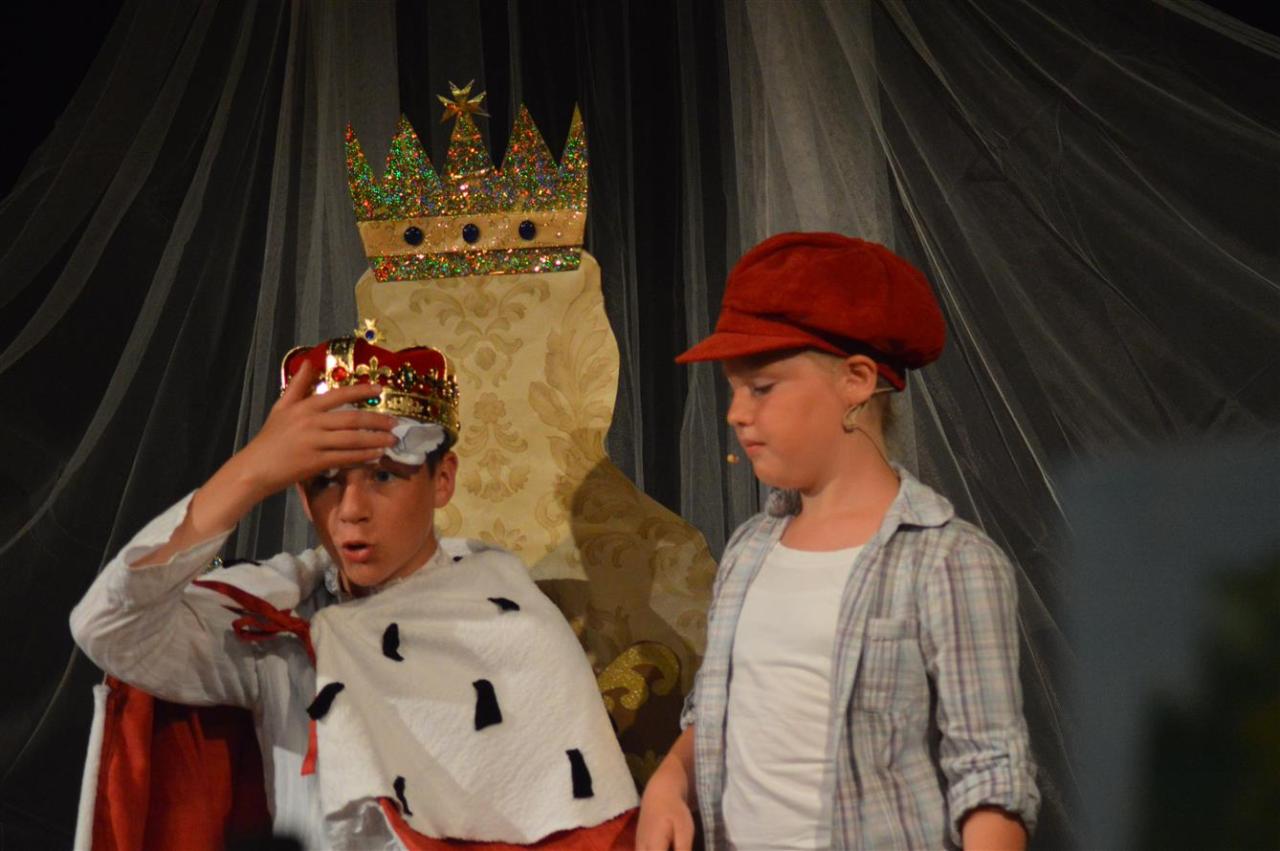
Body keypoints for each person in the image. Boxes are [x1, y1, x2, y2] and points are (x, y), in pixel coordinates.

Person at [70, 328, 638, 850]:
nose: (351, 511)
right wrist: (247, 474)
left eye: (383, 476)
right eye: (325, 481)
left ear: (442, 480)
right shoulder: (280, 624)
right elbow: (109, 629)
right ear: (299, 494)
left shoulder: (511, 626)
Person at [636, 233, 1039, 850]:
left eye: (761, 388)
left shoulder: (947, 562)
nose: (736, 412)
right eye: (733, 389)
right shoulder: (750, 549)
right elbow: (718, 707)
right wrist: (671, 778)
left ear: (855, 380)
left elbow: (990, 770)